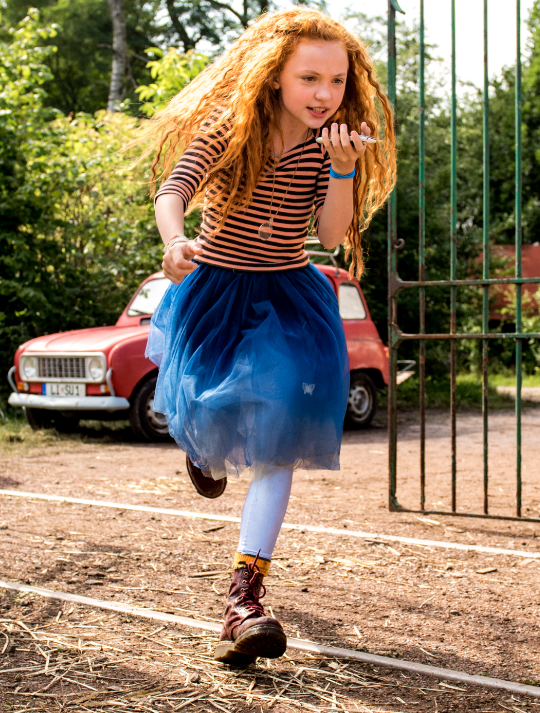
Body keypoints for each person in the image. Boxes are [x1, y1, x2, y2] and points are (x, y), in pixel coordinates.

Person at [135, 8, 396, 666]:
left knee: (279, 440)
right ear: (274, 75)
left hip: (288, 296)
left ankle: (243, 599)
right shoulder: (233, 128)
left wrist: (340, 170)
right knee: (211, 421)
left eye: (336, 81)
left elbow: (332, 234)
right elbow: (174, 192)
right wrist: (174, 242)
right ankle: (206, 451)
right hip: (215, 288)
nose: (323, 94)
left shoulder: (330, 142)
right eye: (309, 77)